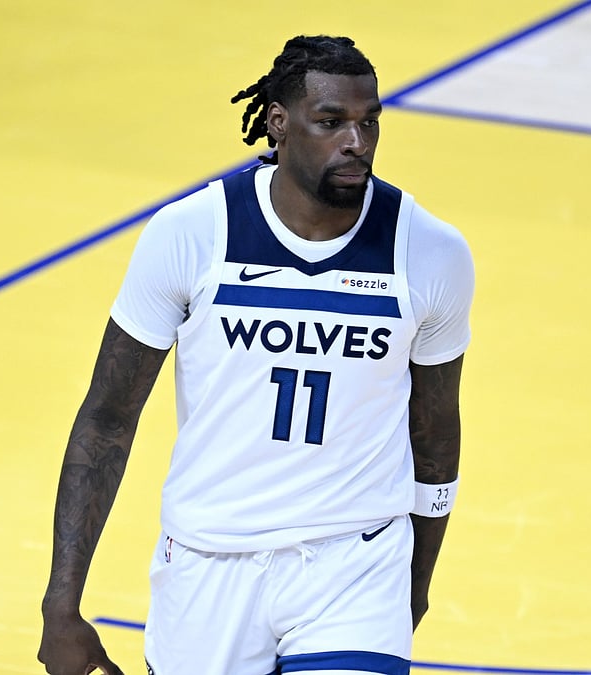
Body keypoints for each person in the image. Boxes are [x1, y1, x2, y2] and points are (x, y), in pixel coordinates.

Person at [38, 35, 474, 675]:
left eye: (369, 121)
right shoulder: (191, 234)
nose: (357, 142)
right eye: (331, 123)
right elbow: (107, 419)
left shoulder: (430, 252)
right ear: (279, 123)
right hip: (208, 562)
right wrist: (61, 604)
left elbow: (435, 437)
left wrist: (414, 580)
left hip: (354, 561)